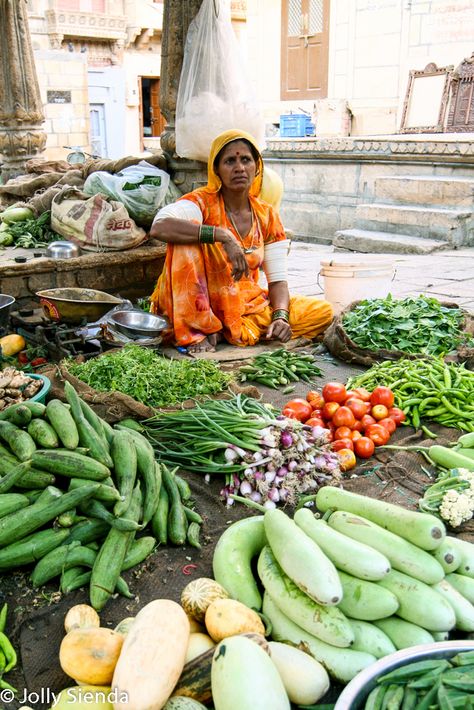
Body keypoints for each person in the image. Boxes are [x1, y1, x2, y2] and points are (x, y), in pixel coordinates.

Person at [149, 129, 333, 353]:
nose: (239, 168)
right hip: (201, 303)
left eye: (245, 160)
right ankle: (198, 330)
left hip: (244, 305)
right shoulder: (201, 202)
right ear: (216, 169)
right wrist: (221, 236)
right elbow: (160, 226)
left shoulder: (266, 214)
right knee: (185, 241)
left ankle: (228, 329)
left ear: (257, 167)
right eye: (229, 161)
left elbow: (278, 282)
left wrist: (281, 317)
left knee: (321, 311)